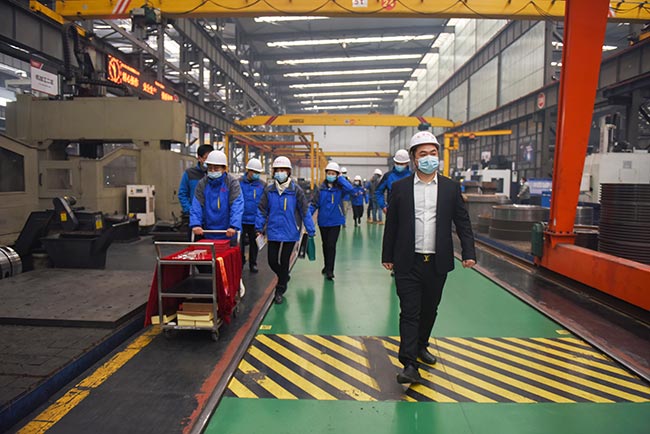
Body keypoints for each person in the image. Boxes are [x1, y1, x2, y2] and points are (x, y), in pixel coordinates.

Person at [381, 130, 476, 384]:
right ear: (414, 158)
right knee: (409, 311)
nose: (428, 158)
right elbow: (392, 224)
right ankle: (409, 363)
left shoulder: (450, 188)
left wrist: (469, 252)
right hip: (407, 260)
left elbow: (462, 221)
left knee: (429, 309)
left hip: (437, 261)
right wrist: (387, 254)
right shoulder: (400, 188)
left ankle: (421, 345)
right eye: (423, 154)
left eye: (433, 153)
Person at [256, 156, 316, 304]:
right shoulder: (269, 190)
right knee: (272, 261)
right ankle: (284, 276)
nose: (280, 172)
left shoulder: (296, 191)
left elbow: (304, 211)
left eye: (283, 170)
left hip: (291, 231)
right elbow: (262, 210)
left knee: (284, 261)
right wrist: (259, 227)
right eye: (278, 170)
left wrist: (310, 229)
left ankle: (280, 290)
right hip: (273, 230)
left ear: (288, 172)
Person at [309, 162, 355, 280]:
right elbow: (314, 204)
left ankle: (330, 270)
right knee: (325, 245)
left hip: (335, 221)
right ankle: (326, 265)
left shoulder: (340, 189)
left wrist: (341, 178)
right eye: (329, 173)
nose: (330, 175)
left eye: (333, 173)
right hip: (323, 222)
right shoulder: (320, 189)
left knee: (331, 245)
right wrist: (307, 217)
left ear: (337, 175)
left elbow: (351, 189)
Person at [190, 150, 244, 243]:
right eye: (210, 168)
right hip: (208, 231)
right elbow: (197, 205)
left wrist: (234, 226)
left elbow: (237, 205)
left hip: (229, 232)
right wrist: (196, 224)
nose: (212, 171)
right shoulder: (202, 183)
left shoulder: (232, 183)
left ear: (224, 169)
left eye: (216, 168)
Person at [179, 144, 213, 237]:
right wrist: (190, 210)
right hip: (195, 219)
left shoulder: (216, 173)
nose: (208, 161)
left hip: (213, 218)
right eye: (206, 158)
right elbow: (182, 194)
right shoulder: (190, 173)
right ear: (199, 158)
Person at [239, 158, 265, 273]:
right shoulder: (238, 183)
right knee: (239, 244)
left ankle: (253, 263)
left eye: (258, 172)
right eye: (254, 172)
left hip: (255, 220)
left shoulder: (262, 185)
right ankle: (240, 261)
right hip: (241, 219)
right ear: (248, 170)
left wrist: (262, 222)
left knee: (254, 244)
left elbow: (263, 204)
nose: (256, 174)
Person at [376, 149, 411, 222]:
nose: (399, 165)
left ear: (407, 163)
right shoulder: (388, 176)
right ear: (394, 162)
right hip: (391, 212)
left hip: (408, 213)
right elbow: (378, 191)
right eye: (397, 163)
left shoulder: (412, 176)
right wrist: (383, 206)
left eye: (402, 164)